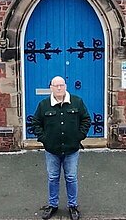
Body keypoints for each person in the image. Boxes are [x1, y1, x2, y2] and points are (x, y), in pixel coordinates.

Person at [32, 75, 91, 220]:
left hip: (72, 149)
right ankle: (53, 205)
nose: (59, 88)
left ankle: (73, 206)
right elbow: (35, 123)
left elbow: (86, 119)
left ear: (65, 86)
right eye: (56, 85)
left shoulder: (77, 102)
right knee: (53, 177)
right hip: (52, 150)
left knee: (71, 177)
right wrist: (44, 139)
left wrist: (79, 136)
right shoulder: (44, 105)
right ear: (51, 88)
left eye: (61, 85)